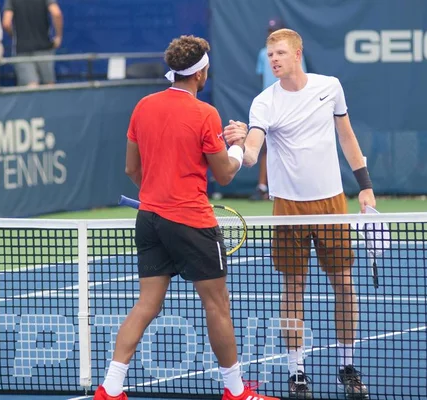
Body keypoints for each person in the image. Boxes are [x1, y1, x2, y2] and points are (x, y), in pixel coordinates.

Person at [93, 35, 278, 400]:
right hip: (192, 221)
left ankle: (111, 388)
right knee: (217, 304)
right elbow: (224, 174)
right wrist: (238, 147)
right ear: (201, 72)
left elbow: (132, 168)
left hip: (149, 220)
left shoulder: (143, 106)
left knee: (147, 303)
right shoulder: (205, 114)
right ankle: (236, 392)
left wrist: (160, 191)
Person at [224, 28, 376, 400]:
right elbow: (253, 152)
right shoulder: (264, 102)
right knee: (293, 287)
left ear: (297, 53)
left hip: (332, 203)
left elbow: (347, 136)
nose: (274, 59)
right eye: (270, 54)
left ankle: (347, 366)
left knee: (343, 284)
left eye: (280, 53)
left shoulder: (330, 87)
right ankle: (297, 373)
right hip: (287, 208)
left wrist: (365, 184)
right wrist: (242, 144)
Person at [251, 18, 307, 201]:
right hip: (271, 108)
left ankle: (296, 187)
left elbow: (301, 78)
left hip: (293, 106)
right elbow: (263, 77)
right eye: (270, 31)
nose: (271, 34)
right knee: (267, 149)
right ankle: (262, 187)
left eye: (275, 30)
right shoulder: (263, 54)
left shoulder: (295, 57)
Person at [2, 0, 64, 87]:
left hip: (22, 49)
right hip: (44, 47)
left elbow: (6, 23)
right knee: (49, 85)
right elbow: (56, 13)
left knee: (30, 86)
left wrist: (15, 35)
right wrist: (58, 36)